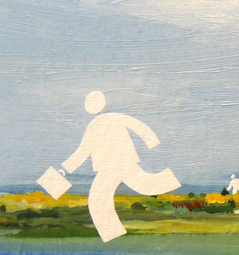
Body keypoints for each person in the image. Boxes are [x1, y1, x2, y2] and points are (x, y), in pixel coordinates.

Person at [61, 91, 180, 242]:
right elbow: (83, 150)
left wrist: (152, 142)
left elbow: (137, 125)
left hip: (121, 162)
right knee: (100, 199)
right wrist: (66, 169)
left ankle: (112, 231)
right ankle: (112, 232)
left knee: (139, 186)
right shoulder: (94, 125)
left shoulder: (111, 119)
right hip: (110, 166)